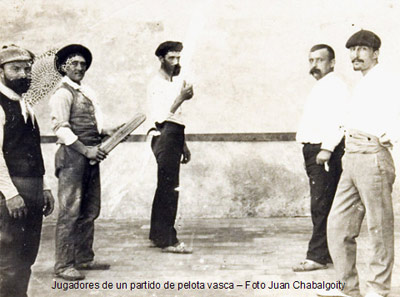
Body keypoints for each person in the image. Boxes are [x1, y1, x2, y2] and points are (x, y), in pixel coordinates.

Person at [318, 30, 399, 297]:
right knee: (338, 226)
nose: (356, 55)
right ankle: (348, 289)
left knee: (378, 227)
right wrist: (330, 147)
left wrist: (388, 137)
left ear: (375, 53)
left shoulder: (387, 79)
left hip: (372, 156)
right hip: (350, 157)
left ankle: (378, 289)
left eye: (362, 49)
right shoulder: (362, 83)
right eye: (352, 50)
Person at [50, 44, 120, 281]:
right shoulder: (62, 93)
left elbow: (91, 125)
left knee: (89, 210)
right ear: (63, 67)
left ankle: (83, 258)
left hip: (90, 156)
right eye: (74, 63)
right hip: (72, 157)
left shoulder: (85, 92)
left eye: (82, 64)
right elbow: (61, 129)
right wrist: (86, 151)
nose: (80, 67)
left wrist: (107, 132)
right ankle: (63, 265)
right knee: (70, 211)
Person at [0, 44, 54, 297]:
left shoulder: (25, 104)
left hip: (32, 188)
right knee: (9, 257)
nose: (23, 74)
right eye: (15, 69)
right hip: (11, 191)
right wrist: (10, 194)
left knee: (27, 254)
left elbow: (33, 148)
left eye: (27, 69)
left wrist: (43, 187)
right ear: (1, 72)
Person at [293, 44, 348, 272]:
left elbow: (340, 120)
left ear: (332, 62)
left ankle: (316, 256)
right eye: (311, 60)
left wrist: (327, 149)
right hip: (314, 150)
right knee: (324, 203)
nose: (314, 65)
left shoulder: (335, 86)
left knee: (320, 204)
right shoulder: (322, 86)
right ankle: (326, 253)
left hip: (323, 152)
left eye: (319, 60)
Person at [147, 41, 193, 253]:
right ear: (161, 59)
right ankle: (167, 239)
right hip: (163, 134)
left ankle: (158, 234)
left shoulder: (173, 83)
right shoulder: (155, 84)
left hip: (175, 134)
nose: (175, 62)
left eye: (178, 58)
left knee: (166, 185)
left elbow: (177, 118)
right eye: (171, 58)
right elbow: (160, 116)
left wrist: (183, 144)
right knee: (169, 186)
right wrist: (181, 98)